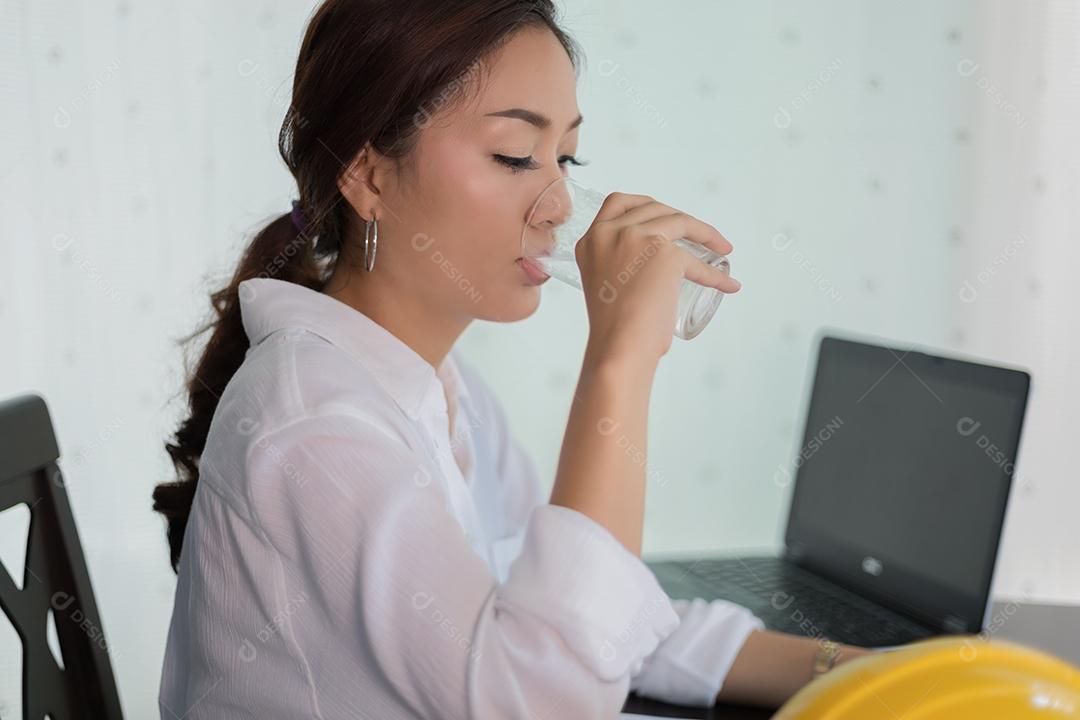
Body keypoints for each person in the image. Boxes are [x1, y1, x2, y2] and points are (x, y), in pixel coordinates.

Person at [152, 1, 873, 717]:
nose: (559, 204)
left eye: (566, 158)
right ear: (368, 175)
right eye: (515, 156)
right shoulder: (316, 427)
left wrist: (866, 669)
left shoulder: (444, 395)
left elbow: (595, 624)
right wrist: (619, 361)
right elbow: (546, 696)